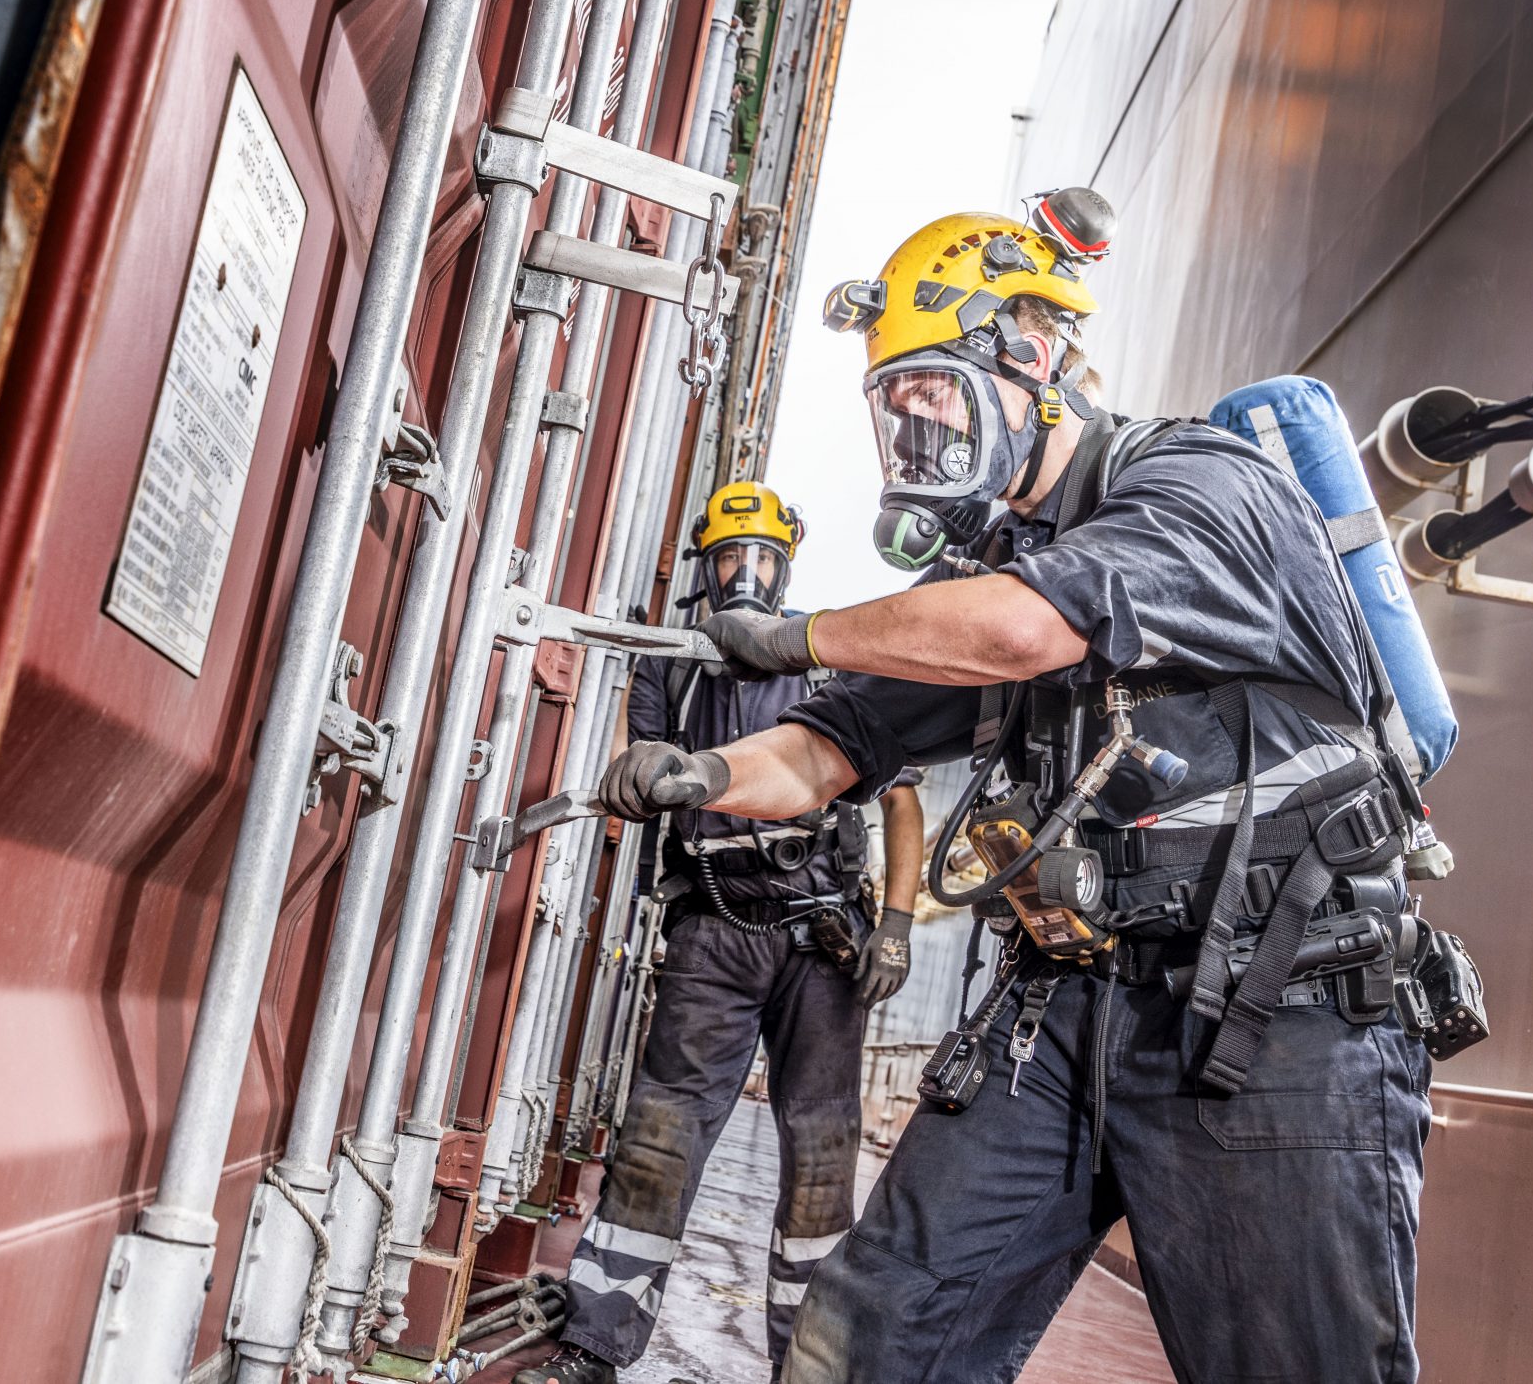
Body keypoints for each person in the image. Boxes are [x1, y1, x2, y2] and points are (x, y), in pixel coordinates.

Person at [596, 196, 1443, 1384]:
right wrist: (698, 775)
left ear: (1030, 354)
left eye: (928, 392)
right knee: (863, 1338)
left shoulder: (1202, 484)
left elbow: (1019, 631)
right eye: (890, 404)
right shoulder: (991, 572)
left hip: (1273, 1006)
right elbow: (832, 747)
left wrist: (791, 633)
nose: (908, 428)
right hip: (1065, 1006)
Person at [522, 483, 925, 1384]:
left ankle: (812, 1367)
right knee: (659, 1136)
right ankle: (594, 1344)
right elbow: (641, 772)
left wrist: (894, 927)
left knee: (821, 1157)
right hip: (711, 927)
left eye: (762, 559)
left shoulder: (826, 663)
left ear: (788, 565)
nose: (745, 573)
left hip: (823, 944)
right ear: (705, 567)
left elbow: (900, 799)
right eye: (729, 558)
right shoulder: (673, 663)